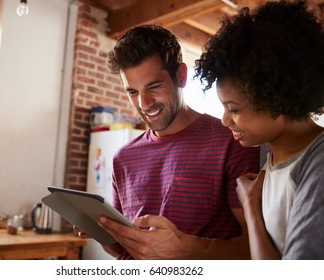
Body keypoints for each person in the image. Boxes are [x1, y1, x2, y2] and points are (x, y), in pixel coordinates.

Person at [76, 24, 260, 260]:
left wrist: (189, 250)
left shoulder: (232, 141)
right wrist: (105, 232)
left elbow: (257, 248)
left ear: (181, 76)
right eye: (132, 92)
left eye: (153, 86)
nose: (143, 103)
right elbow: (124, 251)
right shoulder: (123, 158)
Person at [194, 0, 324, 259]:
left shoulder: (318, 167)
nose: (225, 120)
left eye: (235, 109)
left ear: (279, 98)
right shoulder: (268, 153)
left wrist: (251, 208)